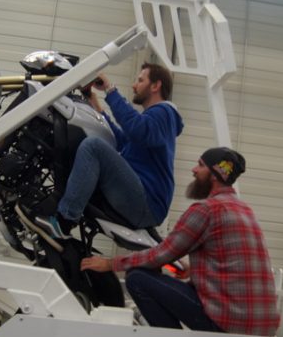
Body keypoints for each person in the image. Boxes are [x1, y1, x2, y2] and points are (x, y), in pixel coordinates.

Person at [81, 147, 279, 337]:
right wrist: (195, 270)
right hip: (262, 327)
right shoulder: (244, 210)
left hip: (226, 324)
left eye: (200, 165)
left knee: (137, 278)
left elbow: (161, 254)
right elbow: (233, 261)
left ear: (214, 174)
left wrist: (110, 264)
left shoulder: (206, 210)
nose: (194, 170)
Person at [20, 62, 183, 243]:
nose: (134, 85)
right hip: (141, 198)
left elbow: (137, 129)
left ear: (155, 86)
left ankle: (64, 222)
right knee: (91, 148)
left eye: (140, 80)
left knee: (93, 146)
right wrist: (94, 103)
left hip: (147, 203)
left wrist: (109, 89)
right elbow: (120, 142)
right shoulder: (154, 121)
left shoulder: (165, 113)